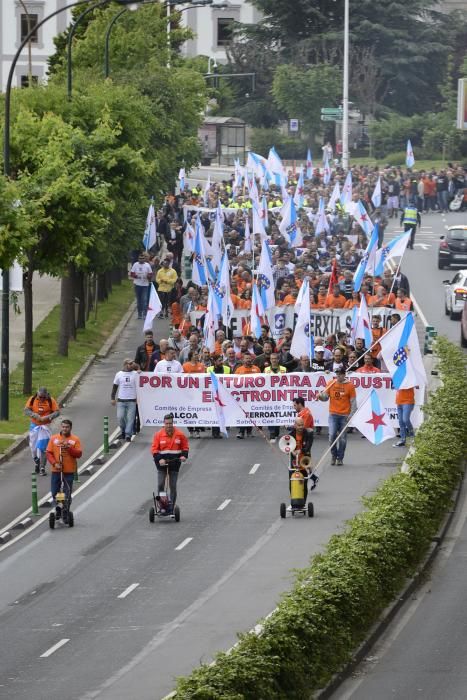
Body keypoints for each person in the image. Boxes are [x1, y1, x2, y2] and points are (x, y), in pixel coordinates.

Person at [46, 419, 82, 520]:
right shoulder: (54, 438)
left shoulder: (75, 439)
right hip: (56, 471)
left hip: (69, 471)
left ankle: (66, 510)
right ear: (61, 427)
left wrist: (69, 448)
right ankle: (58, 507)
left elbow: (79, 454)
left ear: (70, 428)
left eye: (67, 427)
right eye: (63, 427)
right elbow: (48, 453)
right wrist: (54, 463)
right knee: (55, 492)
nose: (65, 429)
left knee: (67, 492)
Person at [319, 369, 356, 465]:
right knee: (331, 436)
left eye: (340, 374)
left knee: (343, 438)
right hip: (333, 414)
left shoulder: (350, 386)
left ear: (344, 375)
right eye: (337, 374)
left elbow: (353, 402)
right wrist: (320, 396)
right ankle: (333, 455)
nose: (338, 376)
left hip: (344, 415)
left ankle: (340, 458)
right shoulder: (331, 383)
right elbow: (325, 397)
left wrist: (351, 415)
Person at [151, 414, 189, 510]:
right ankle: (163, 505)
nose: (168, 426)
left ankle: (171, 507)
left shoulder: (180, 435)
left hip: (175, 463)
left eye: (170, 423)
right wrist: (160, 459)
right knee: (160, 484)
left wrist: (184, 456)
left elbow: (185, 447)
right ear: (164, 424)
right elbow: (154, 450)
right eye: (167, 423)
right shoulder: (158, 435)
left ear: (173, 423)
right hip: (161, 464)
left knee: (172, 486)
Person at [24, 387, 60, 475]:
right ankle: (37, 462)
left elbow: (57, 412)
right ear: (37, 394)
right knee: (34, 448)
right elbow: (26, 410)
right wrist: (35, 415)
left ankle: (42, 467)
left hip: (45, 426)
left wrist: (48, 417)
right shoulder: (32, 399)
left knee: (43, 448)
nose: (42, 399)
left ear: (47, 395)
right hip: (34, 426)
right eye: (40, 397)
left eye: (44, 397)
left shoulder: (51, 400)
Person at [288, 417, 318, 500]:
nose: (301, 427)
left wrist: (300, 450)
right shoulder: (291, 435)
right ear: (295, 425)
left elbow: (308, 446)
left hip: (304, 462)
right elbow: (287, 446)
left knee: (304, 484)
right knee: (292, 483)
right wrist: (292, 451)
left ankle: (303, 502)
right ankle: (293, 501)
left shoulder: (308, 434)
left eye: (302, 425)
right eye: (299, 425)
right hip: (294, 463)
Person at [111, 359, 139, 442]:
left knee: (130, 419)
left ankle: (128, 435)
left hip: (132, 400)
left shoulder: (135, 374)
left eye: (133, 363)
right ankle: (123, 431)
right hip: (121, 400)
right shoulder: (119, 374)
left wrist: (138, 369)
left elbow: (141, 384)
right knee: (120, 417)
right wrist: (112, 398)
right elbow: (115, 386)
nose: (132, 365)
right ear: (126, 365)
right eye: (130, 363)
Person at [235, 353, 260, 438]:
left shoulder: (256, 369)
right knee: (243, 414)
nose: (248, 360)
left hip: (253, 396)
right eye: (246, 358)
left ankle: (249, 431)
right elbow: (234, 382)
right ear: (243, 360)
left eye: (249, 358)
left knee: (251, 414)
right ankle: (241, 432)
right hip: (242, 396)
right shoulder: (239, 370)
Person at [264, 353, 287, 442]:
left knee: (278, 414)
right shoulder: (266, 370)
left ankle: (276, 431)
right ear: (270, 360)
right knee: (271, 414)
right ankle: (272, 433)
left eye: (275, 358)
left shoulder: (284, 369)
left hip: (281, 396)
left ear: (278, 359)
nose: (274, 360)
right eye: (272, 359)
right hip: (270, 396)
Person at [129, 252, 153, 319]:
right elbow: (131, 273)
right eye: (140, 258)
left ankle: (144, 313)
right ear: (138, 259)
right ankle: (139, 313)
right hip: (137, 284)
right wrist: (136, 276)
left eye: (142, 258)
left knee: (144, 300)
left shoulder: (147, 265)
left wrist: (148, 276)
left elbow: (151, 274)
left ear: (144, 259)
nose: (141, 260)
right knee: (139, 300)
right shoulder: (135, 265)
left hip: (145, 285)